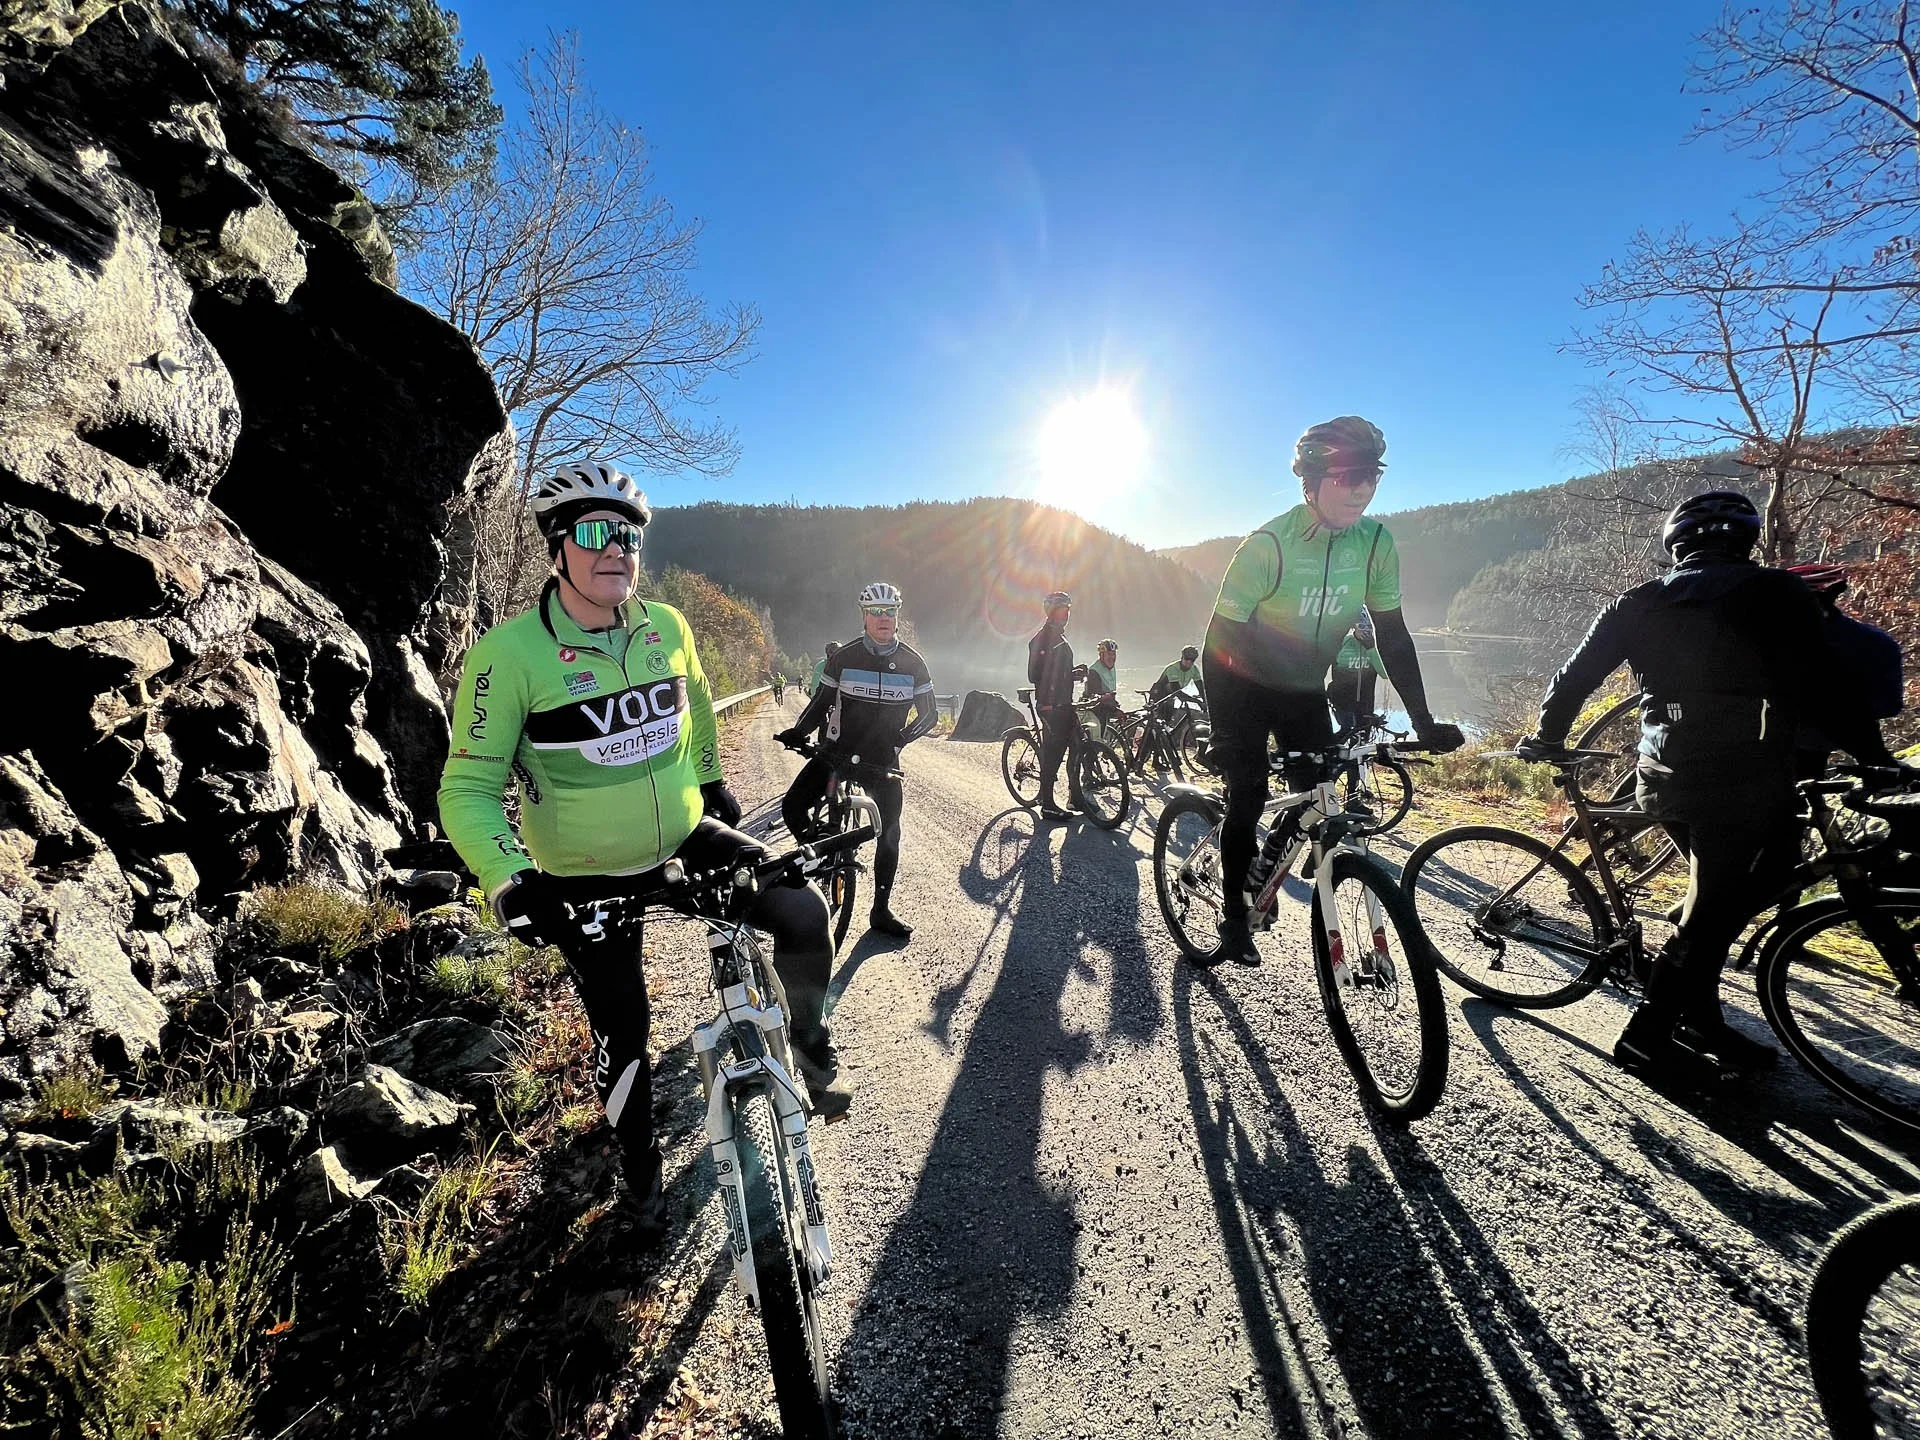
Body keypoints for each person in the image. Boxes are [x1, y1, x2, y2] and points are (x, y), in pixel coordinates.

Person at [439, 461, 847, 1227]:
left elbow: (694, 709)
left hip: (687, 838)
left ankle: (812, 1046)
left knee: (802, 909)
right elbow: (465, 788)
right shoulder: (508, 656)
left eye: (627, 534)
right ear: (557, 547)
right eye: (594, 533)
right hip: (582, 879)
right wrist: (510, 879)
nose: (615, 548)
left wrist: (714, 785)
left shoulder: (667, 627)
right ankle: (639, 1169)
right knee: (622, 1033)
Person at [1518, 491, 1898, 1084]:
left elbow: (1577, 675)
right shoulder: (1779, 592)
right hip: (1746, 776)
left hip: (1663, 773)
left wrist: (1545, 736)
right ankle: (1646, 1035)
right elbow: (1828, 687)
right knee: (1719, 907)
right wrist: (1876, 758)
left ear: (1676, 543)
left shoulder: (1637, 601)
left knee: (1728, 893)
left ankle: (1697, 1014)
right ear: (1746, 540)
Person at [1204, 416, 1464, 966]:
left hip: (1303, 693)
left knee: (1318, 799)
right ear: (1312, 480)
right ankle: (1233, 918)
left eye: (1370, 475)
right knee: (1247, 795)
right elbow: (1217, 643)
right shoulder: (1268, 545)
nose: (1362, 489)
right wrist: (1225, 730)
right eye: (1347, 476)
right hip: (1245, 691)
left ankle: (1270, 865)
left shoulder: (1375, 544)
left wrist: (1423, 721)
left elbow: (1392, 636)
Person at [777, 582, 938, 938]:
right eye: (875, 612)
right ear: (864, 616)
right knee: (793, 807)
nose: (883, 618)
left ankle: (880, 910)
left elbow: (930, 717)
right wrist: (799, 732)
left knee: (890, 832)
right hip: (837, 753)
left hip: (881, 762)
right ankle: (817, 854)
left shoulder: (913, 663)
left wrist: (900, 741)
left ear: (897, 616)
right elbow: (821, 702)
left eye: (890, 612)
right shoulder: (845, 657)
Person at [1784, 563, 1904, 777]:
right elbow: (1889, 706)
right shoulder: (1875, 641)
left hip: (1790, 733)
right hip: (1857, 731)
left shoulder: (1768, 644)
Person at [1027, 591, 1084, 822]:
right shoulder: (1041, 639)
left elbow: (1059, 673)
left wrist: (1072, 674)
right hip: (1050, 706)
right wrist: (1052, 691)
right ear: (1051, 613)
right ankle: (1048, 805)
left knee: (1079, 746)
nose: (1066, 614)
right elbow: (1033, 675)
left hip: (1064, 703)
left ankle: (1075, 796)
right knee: (1054, 754)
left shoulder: (1060, 638)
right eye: (1062, 610)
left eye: (1068, 610)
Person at [1328, 609, 1385, 737]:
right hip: (1342, 702)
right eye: (1362, 626)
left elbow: (1384, 674)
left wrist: (1371, 649)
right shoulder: (1344, 642)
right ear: (1354, 627)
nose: (1366, 631)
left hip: (1365, 704)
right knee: (1344, 735)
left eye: (1369, 627)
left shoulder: (1375, 647)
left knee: (1363, 739)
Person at [1080, 638, 1123, 740]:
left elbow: (1109, 691)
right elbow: (1097, 696)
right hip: (1092, 710)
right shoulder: (1094, 671)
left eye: (1113, 654)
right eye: (1109, 654)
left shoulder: (1111, 668)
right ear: (1101, 655)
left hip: (1104, 708)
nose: (1112, 657)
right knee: (1096, 741)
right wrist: (1114, 709)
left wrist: (1115, 706)